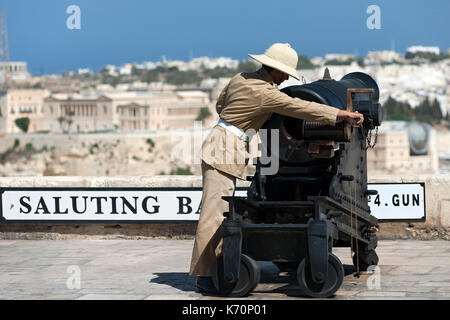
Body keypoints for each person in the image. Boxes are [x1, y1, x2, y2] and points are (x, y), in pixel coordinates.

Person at [189, 43, 364, 294]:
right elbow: (301, 107)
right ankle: (205, 275)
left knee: (218, 211)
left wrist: (241, 119)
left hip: (220, 141)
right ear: (276, 70)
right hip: (225, 149)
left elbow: (221, 104)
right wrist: (342, 115)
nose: (284, 79)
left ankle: (215, 268)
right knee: (214, 214)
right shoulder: (266, 94)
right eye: (284, 74)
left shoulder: (241, 78)